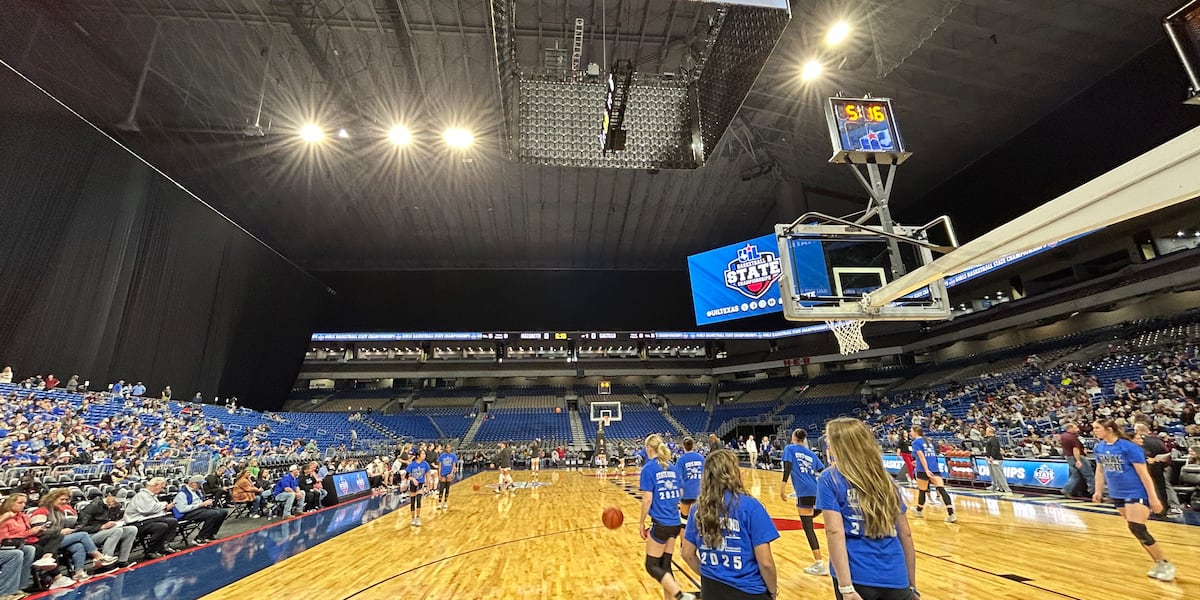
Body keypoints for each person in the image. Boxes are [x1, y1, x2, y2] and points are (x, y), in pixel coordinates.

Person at [819, 418, 919, 600]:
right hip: (896, 576)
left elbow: (834, 532)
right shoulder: (886, 479)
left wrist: (846, 587)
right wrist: (912, 585)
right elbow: (905, 534)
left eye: (829, 439)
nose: (827, 443)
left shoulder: (830, 478)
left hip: (857, 576)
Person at [681, 449, 779, 600]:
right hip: (749, 591)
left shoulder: (697, 509)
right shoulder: (751, 506)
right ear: (734, 473)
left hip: (711, 590)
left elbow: (687, 553)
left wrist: (711, 576)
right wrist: (772, 591)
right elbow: (765, 563)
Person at [1092, 419, 1175, 581]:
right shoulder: (1099, 448)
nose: (1094, 431)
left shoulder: (1128, 447)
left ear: (1109, 429)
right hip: (1117, 494)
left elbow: (1144, 474)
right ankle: (1159, 563)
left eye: (1097, 428)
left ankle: (1164, 563)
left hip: (1135, 491)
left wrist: (1153, 498)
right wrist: (1098, 491)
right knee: (1135, 530)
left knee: (1137, 527)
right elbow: (1100, 471)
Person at [639, 434, 696, 600]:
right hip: (674, 522)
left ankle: (680, 595)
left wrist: (641, 522)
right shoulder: (672, 467)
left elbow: (647, 499)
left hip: (661, 523)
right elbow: (681, 492)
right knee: (665, 565)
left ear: (648, 448)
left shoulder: (648, 469)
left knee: (651, 565)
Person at [33, 490, 118, 580]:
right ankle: (98, 557)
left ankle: (79, 573)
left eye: (66, 500)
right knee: (83, 535)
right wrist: (59, 531)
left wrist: (67, 530)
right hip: (45, 541)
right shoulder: (41, 511)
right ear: (53, 498)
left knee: (78, 546)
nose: (64, 502)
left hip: (58, 538)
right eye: (62, 499)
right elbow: (38, 531)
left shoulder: (60, 512)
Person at [781, 428, 827, 575]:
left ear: (794, 437)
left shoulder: (789, 448)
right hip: (816, 489)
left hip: (804, 491)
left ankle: (819, 563)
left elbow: (787, 467)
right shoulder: (810, 453)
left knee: (808, 527)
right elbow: (822, 470)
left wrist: (782, 487)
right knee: (808, 519)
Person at [77, 490, 140, 569]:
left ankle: (122, 561)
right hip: (90, 535)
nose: (116, 503)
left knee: (132, 529)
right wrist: (102, 527)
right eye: (115, 500)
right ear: (109, 495)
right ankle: (105, 562)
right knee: (117, 531)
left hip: (107, 532)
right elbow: (80, 527)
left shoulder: (116, 507)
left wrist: (118, 522)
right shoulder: (94, 506)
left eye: (119, 501)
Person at [123, 477, 180, 558]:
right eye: (161, 487)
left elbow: (155, 510)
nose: (162, 489)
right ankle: (151, 551)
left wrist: (165, 508)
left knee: (172, 521)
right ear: (155, 485)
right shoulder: (142, 495)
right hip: (136, 522)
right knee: (161, 526)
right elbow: (147, 510)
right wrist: (164, 505)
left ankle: (163, 547)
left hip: (147, 519)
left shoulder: (151, 496)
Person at [910, 426, 956, 523]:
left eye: (911, 431)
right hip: (934, 468)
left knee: (922, 490)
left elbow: (922, 456)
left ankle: (919, 510)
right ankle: (951, 514)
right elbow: (931, 456)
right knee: (941, 489)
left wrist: (926, 469)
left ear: (915, 432)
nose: (910, 433)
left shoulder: (916, 442)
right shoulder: (928, 441)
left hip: (923, 469)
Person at [1132, 423, 1176, 516]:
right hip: (1159, 467)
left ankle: (1148, 508)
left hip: (1145, 468)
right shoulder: (1157, 440)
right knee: (1161, 489)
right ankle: (1163, 509)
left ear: (1137, 431)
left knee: (1147, 488)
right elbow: (1167, 453)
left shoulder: (1138, 442)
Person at [173, 475, 229, 545]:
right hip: (186, 513)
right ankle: (200, 537)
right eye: (198, 484)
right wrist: (200, 505)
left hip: (198, 509)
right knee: (214, 514)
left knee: (223, 512)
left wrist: (206, 503)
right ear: (192, 483)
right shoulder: (182, 494)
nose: (200, 486)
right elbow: (182, 509)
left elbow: (200, 502)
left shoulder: (197, 491)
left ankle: (209, 535)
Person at [675, 438, 705, 525]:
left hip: (686, 492)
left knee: (684, 520)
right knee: (699, 519)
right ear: (693, 445)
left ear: (683, 446)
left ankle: (684, 534)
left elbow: (678, 477)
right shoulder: (701, 458)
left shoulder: (681, 459)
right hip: (699, 492)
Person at [1059, 423, 1093, 498]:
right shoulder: (1072, 437)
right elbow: (1075, 449)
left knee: (1075, 475)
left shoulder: (1063, 436)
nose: (1077, 429)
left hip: (1068, 457)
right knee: (1089, 474)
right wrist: (1078, 460)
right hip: (1077, 457)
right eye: (1075, 427)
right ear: (1070, 428)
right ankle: (1092, 491)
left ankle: (1067, 489)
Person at [983, 427, 1012, 494]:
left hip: (995, 459)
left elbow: (995, 448)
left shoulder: (994, 439)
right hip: (991, 458)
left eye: (986, 431)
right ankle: (999, 487)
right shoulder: (990, 439)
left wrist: (992, 457)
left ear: (990, 432)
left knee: (999, 475)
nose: (985, 432)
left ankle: (1006, 489)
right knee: (994, 474)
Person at [406, 449, 431, 526]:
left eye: (424, 454)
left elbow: (428, 475)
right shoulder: (412, 465)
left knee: (419, 501)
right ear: (418, 456)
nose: (424, 455)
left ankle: (418, 517)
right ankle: (413, 518)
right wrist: (413, 479)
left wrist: (428, 486)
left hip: (420, 484)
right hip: (413, 485)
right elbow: (406, 476)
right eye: (422, 454)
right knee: (412, 502)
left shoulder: (425, 464)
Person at [437, 445, 459, 510]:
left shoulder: (453, 456)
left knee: (447, 488)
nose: (448, 449)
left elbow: (453, 465)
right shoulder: (442, 456)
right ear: (445, 449)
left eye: (449, 447)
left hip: (449, 473)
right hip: (443, 473)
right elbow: (440, 466)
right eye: (447, 448)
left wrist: (452, 473)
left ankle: (445, 502)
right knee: (441, 488)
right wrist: (439, 474)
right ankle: (439, 502)